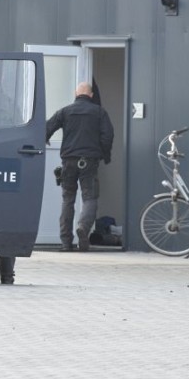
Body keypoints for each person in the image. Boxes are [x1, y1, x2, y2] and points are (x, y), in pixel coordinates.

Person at [45, 82, 114, 252]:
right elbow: (108, 136)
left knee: (68, 199)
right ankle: (83, 227)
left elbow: (47, 127)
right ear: (90, 95)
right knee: (89, 198)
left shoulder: (65, 111)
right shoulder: (99, 112)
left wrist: (45, 139)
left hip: (68, 161)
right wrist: (105, 155)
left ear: (76, 94)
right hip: (89, 161)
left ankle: (65, 243)